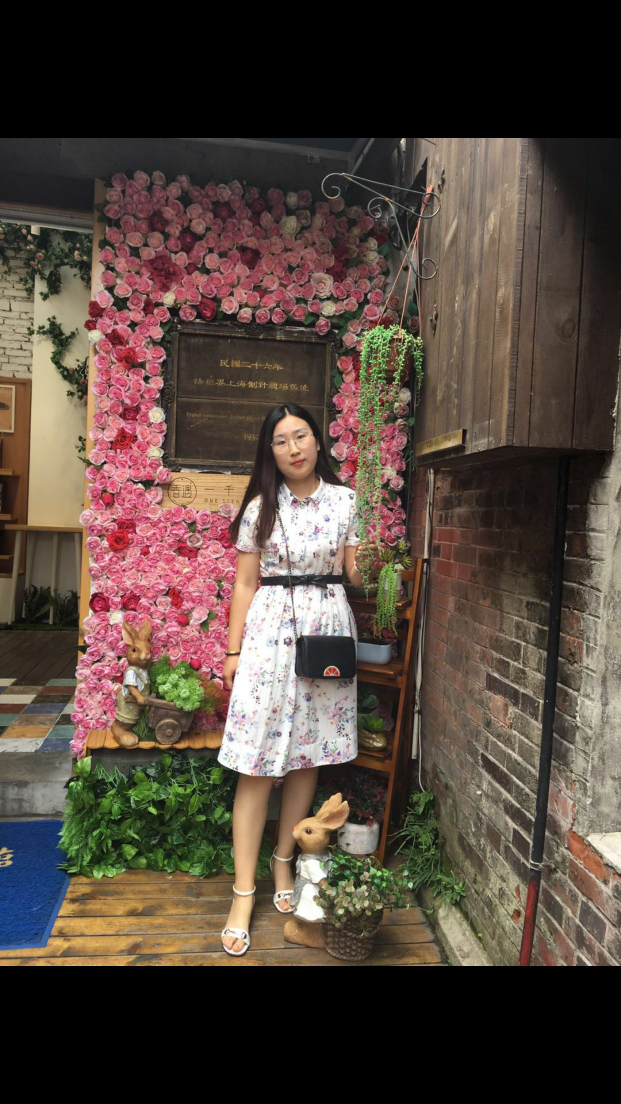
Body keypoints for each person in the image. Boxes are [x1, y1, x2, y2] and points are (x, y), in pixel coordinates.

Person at [218, 402, 374, 955]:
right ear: (271, 452)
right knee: (256, 763)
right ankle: (243, 894)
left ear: (317, 440)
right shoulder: (261, 508)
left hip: (326, 633)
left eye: (301, 436)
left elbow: (355, 573)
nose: (293, 448)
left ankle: (284, 862)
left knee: (309, 754)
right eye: (281, 441)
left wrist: (377, 553)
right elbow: (244, 584)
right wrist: (233, 650)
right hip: (269, 638)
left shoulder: (347, 501)